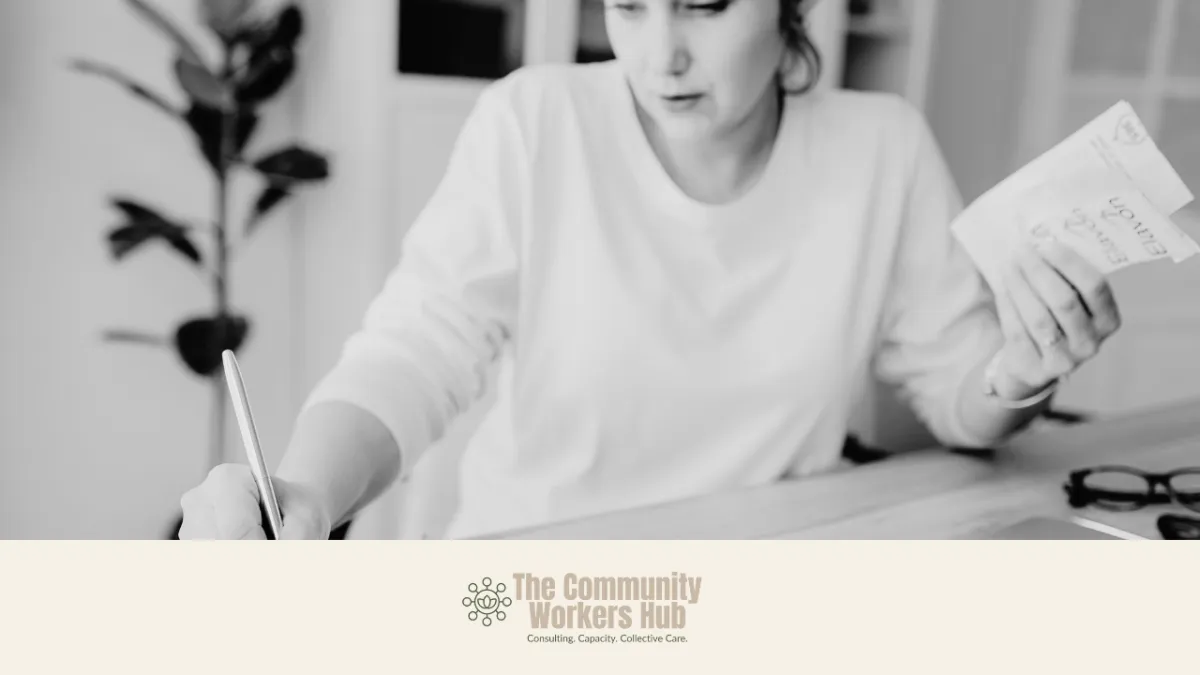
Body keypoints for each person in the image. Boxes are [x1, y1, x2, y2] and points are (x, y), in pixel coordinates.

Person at [179, 0, 1122, 540]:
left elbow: (962, 397)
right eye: (628, 4)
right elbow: (417, 350)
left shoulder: (882, 149)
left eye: (705, 6)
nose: (658, 52)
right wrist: (303, 491)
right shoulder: (535, 122)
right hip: (536, 593)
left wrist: (1021, 369)